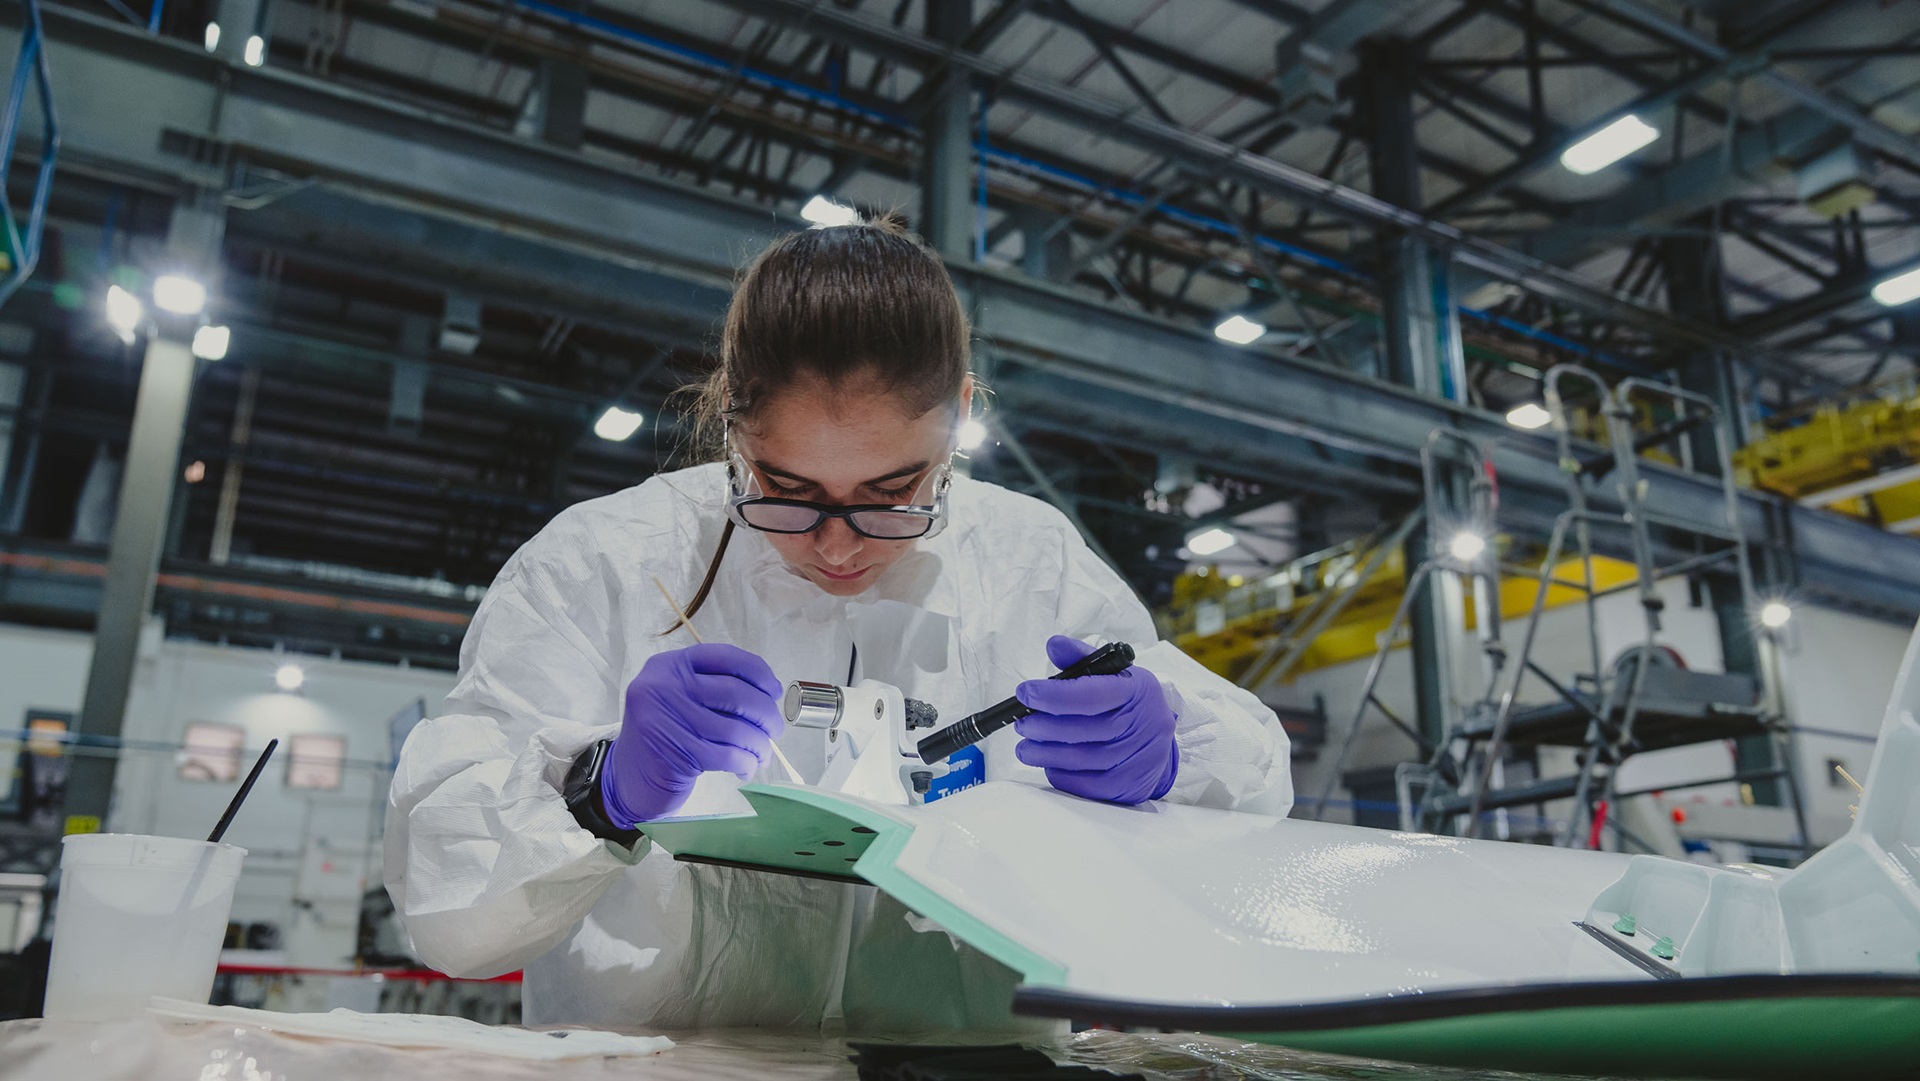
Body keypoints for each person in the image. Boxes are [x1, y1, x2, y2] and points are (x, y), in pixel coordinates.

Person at [384, 218, 1293, 1031]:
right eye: (788, 490)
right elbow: (444, 913)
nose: (837, 544)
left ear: (962, 419)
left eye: (893, 492)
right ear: (733, 425)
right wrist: (598, 789)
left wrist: (1168, 757)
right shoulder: (604, 563)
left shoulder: (1030, 562)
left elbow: (1256, 793)